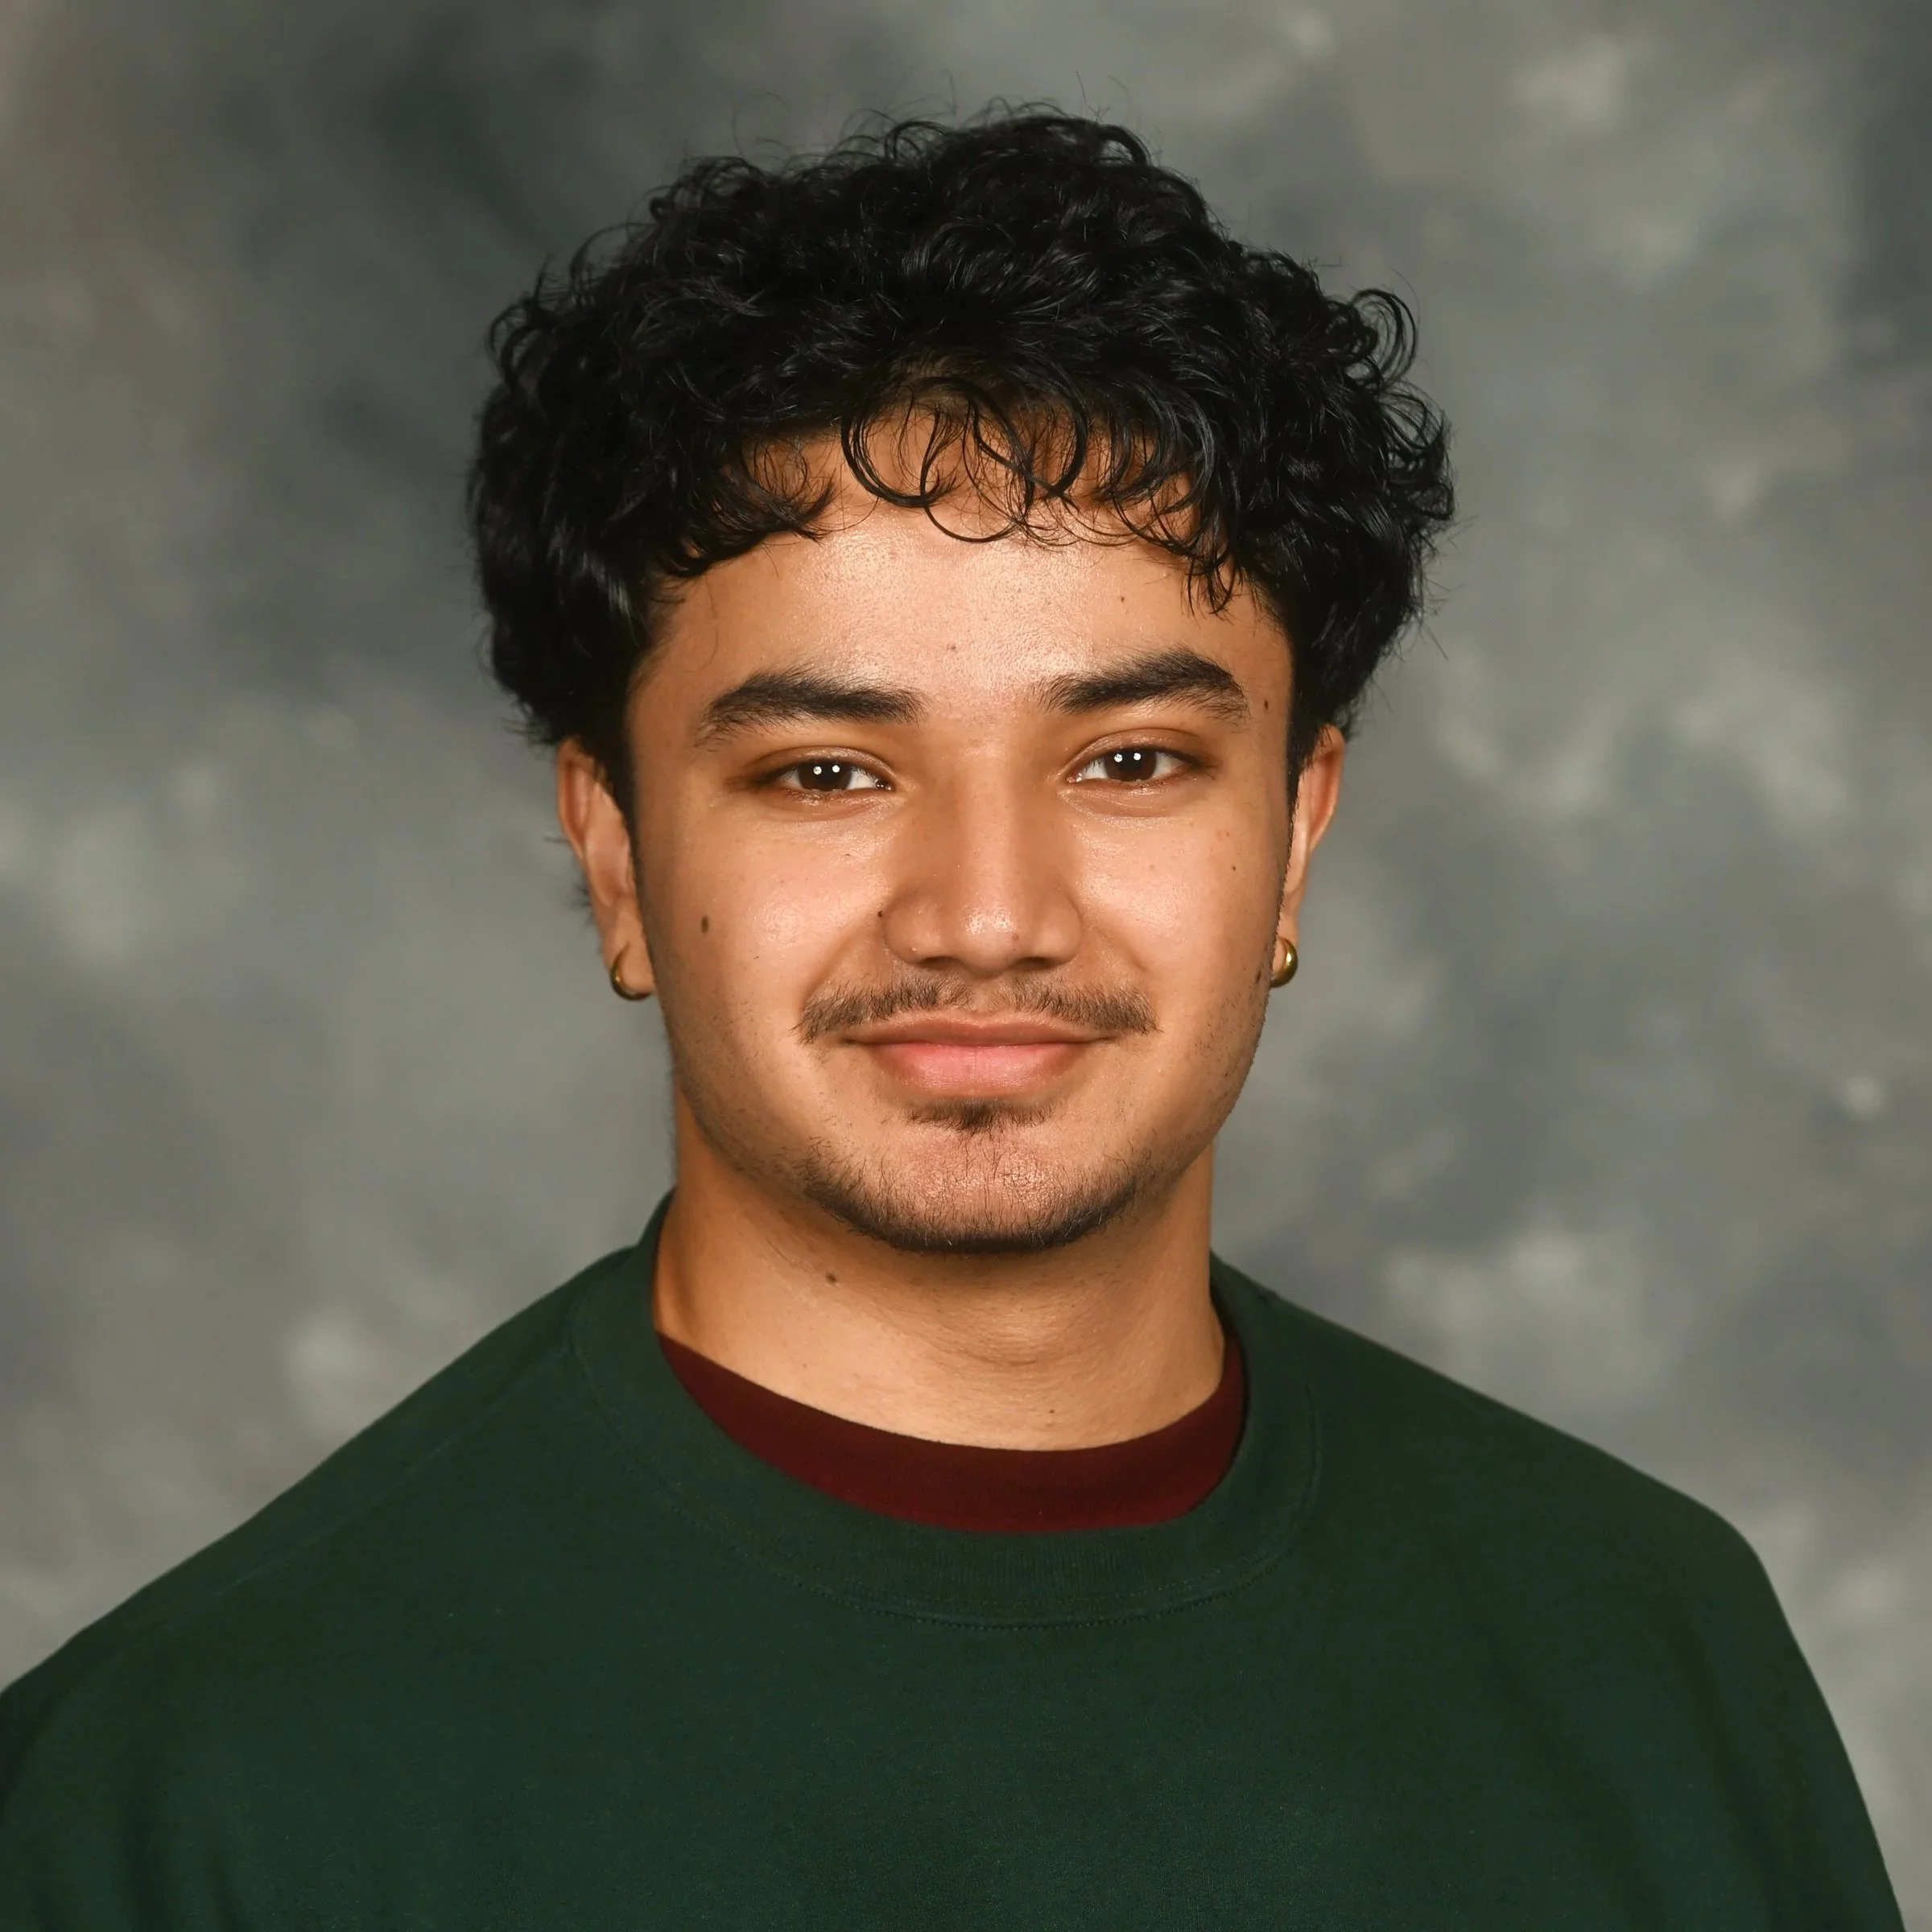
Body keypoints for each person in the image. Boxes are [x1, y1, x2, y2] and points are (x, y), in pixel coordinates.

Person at [0, 109, 1902, 1930]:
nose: (988, 915)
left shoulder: (1653, 1655)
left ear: (1296, 832)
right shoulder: (185, 1802)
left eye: (1131, 759)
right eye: (827, 773)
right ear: (616, 850)